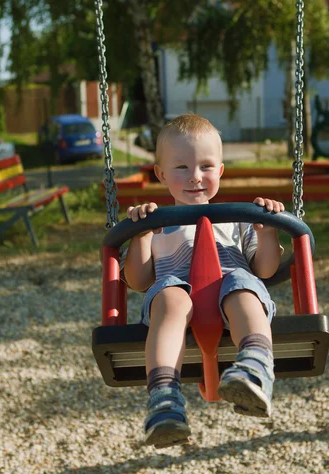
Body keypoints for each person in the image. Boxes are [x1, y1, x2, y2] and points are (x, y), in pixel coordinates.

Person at [122, 113, 285, 449]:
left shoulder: (239, 218)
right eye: (181, 168)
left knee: (242, 283)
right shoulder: (157, 223)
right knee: (170, 294)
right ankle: (164, 399)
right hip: (178, 304)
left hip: (231, 300)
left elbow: (265, 269)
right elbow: (138, 280)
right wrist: (139, 236)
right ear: (161, 173)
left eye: (206, 166)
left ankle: (255, 366)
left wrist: (267, 232)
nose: (195, 177)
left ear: (221, 171)